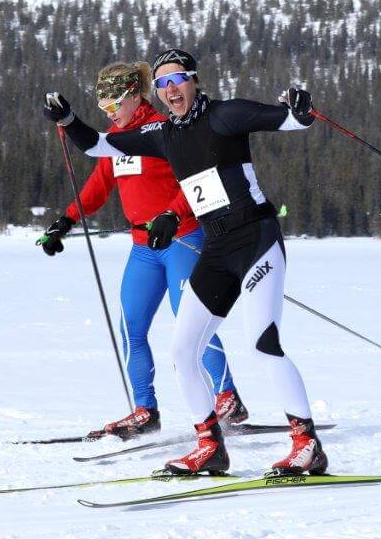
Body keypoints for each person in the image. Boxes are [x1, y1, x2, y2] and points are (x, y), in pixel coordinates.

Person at [43, 48, 327, 477]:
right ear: (156, 92)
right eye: (163, 84)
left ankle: (307, 444)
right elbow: (98, 146)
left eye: (178, 80)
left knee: (262, 345)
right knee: (181, 351)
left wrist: (301, 109)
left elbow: (289, 120)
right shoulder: (164, 135)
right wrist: (67, 121)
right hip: (215, 248)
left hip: (256, 240)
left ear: (194, 80)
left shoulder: (225, 116)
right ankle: (210, 446)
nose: (171, 89)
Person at [37, 61, 247, 440]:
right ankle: (144, 410)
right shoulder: (116, 140)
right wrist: (66, 221)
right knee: (131, 327)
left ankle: (227, 395)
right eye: (103, 109)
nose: (110, 113)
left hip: (182, 240)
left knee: (191, 323)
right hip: (142, 249)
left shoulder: (162, 131)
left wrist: (171, 215)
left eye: (114, 105)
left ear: (135, 96)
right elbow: (98, 186)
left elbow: (196, 178)